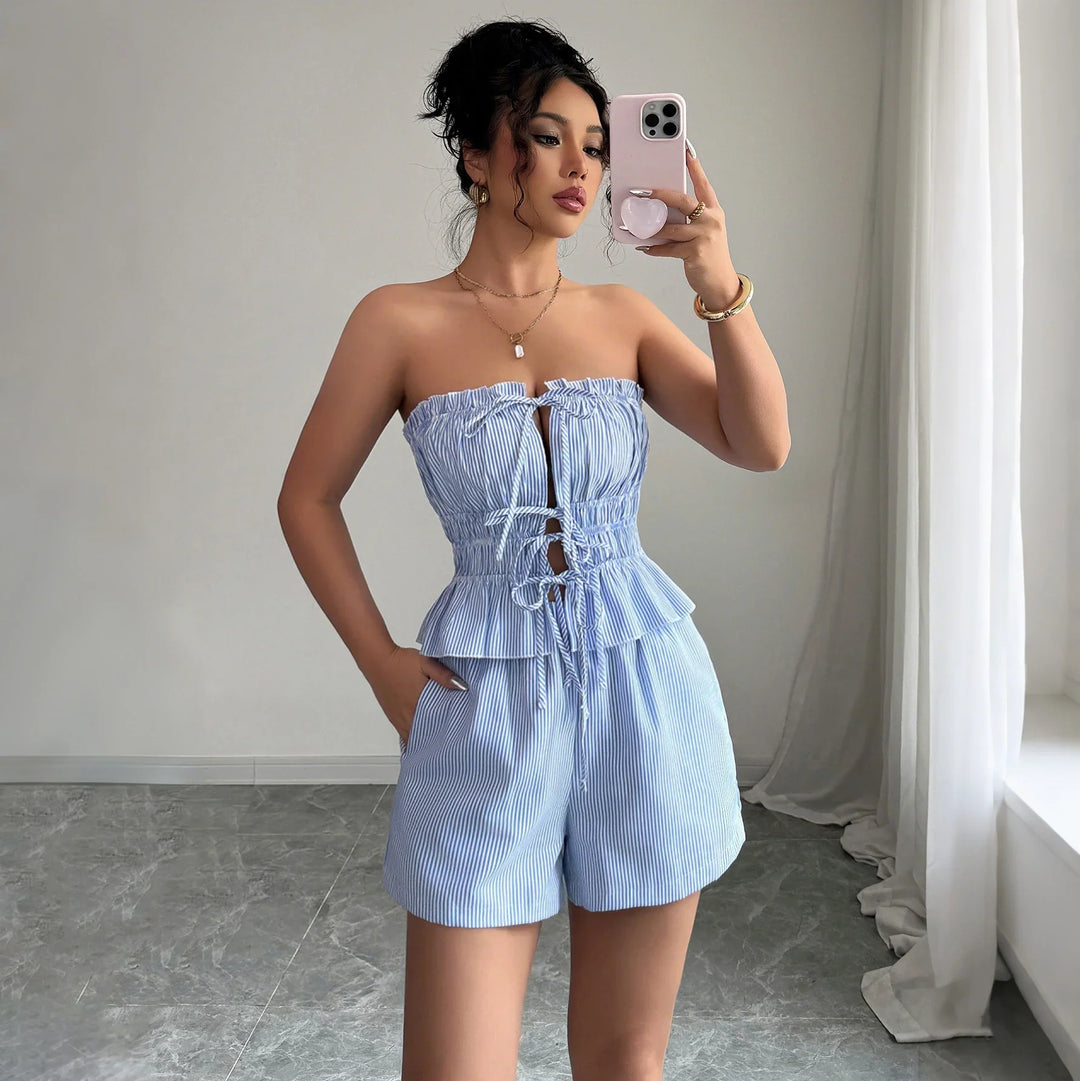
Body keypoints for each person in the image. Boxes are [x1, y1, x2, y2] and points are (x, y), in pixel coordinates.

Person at [277, 16, 788, 1081]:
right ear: (476, 151)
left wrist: (715, 280)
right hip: (483, 704)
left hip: (647, 690)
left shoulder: (623, 313)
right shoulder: (398, 322)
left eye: (596, 145)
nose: (580, 166)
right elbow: (307, 500)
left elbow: (762, 442)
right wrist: (385, 670)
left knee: (622, 1060)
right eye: (547, 137)